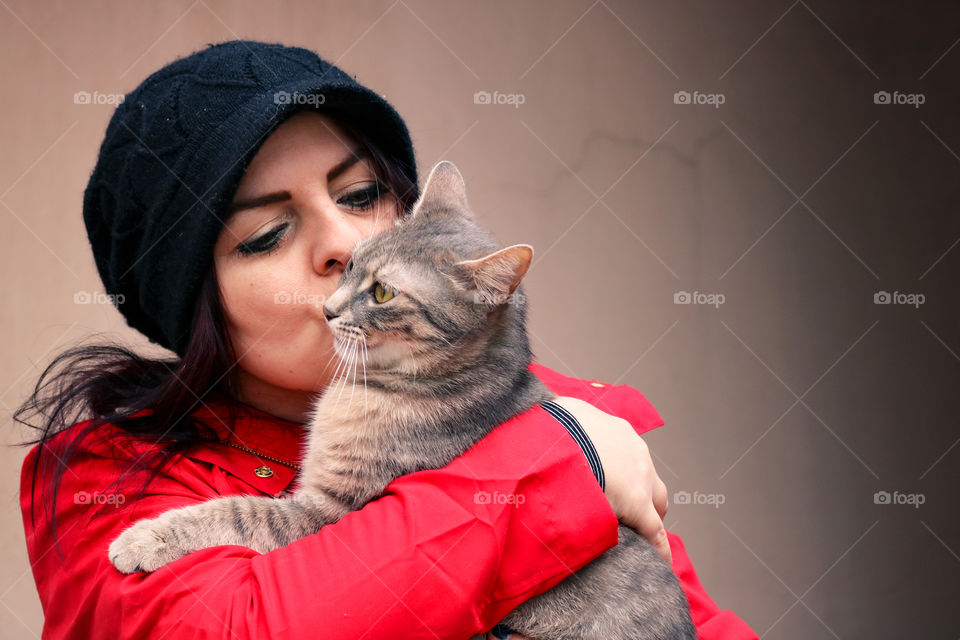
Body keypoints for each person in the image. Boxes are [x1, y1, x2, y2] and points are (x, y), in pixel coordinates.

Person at [16, 40, 760, 639]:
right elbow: (246, 626)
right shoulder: (110, 485)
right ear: (196, 304)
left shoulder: (555, 420)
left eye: (363, 196)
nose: (345, 245)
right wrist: (567, 467)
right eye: (270, 233)